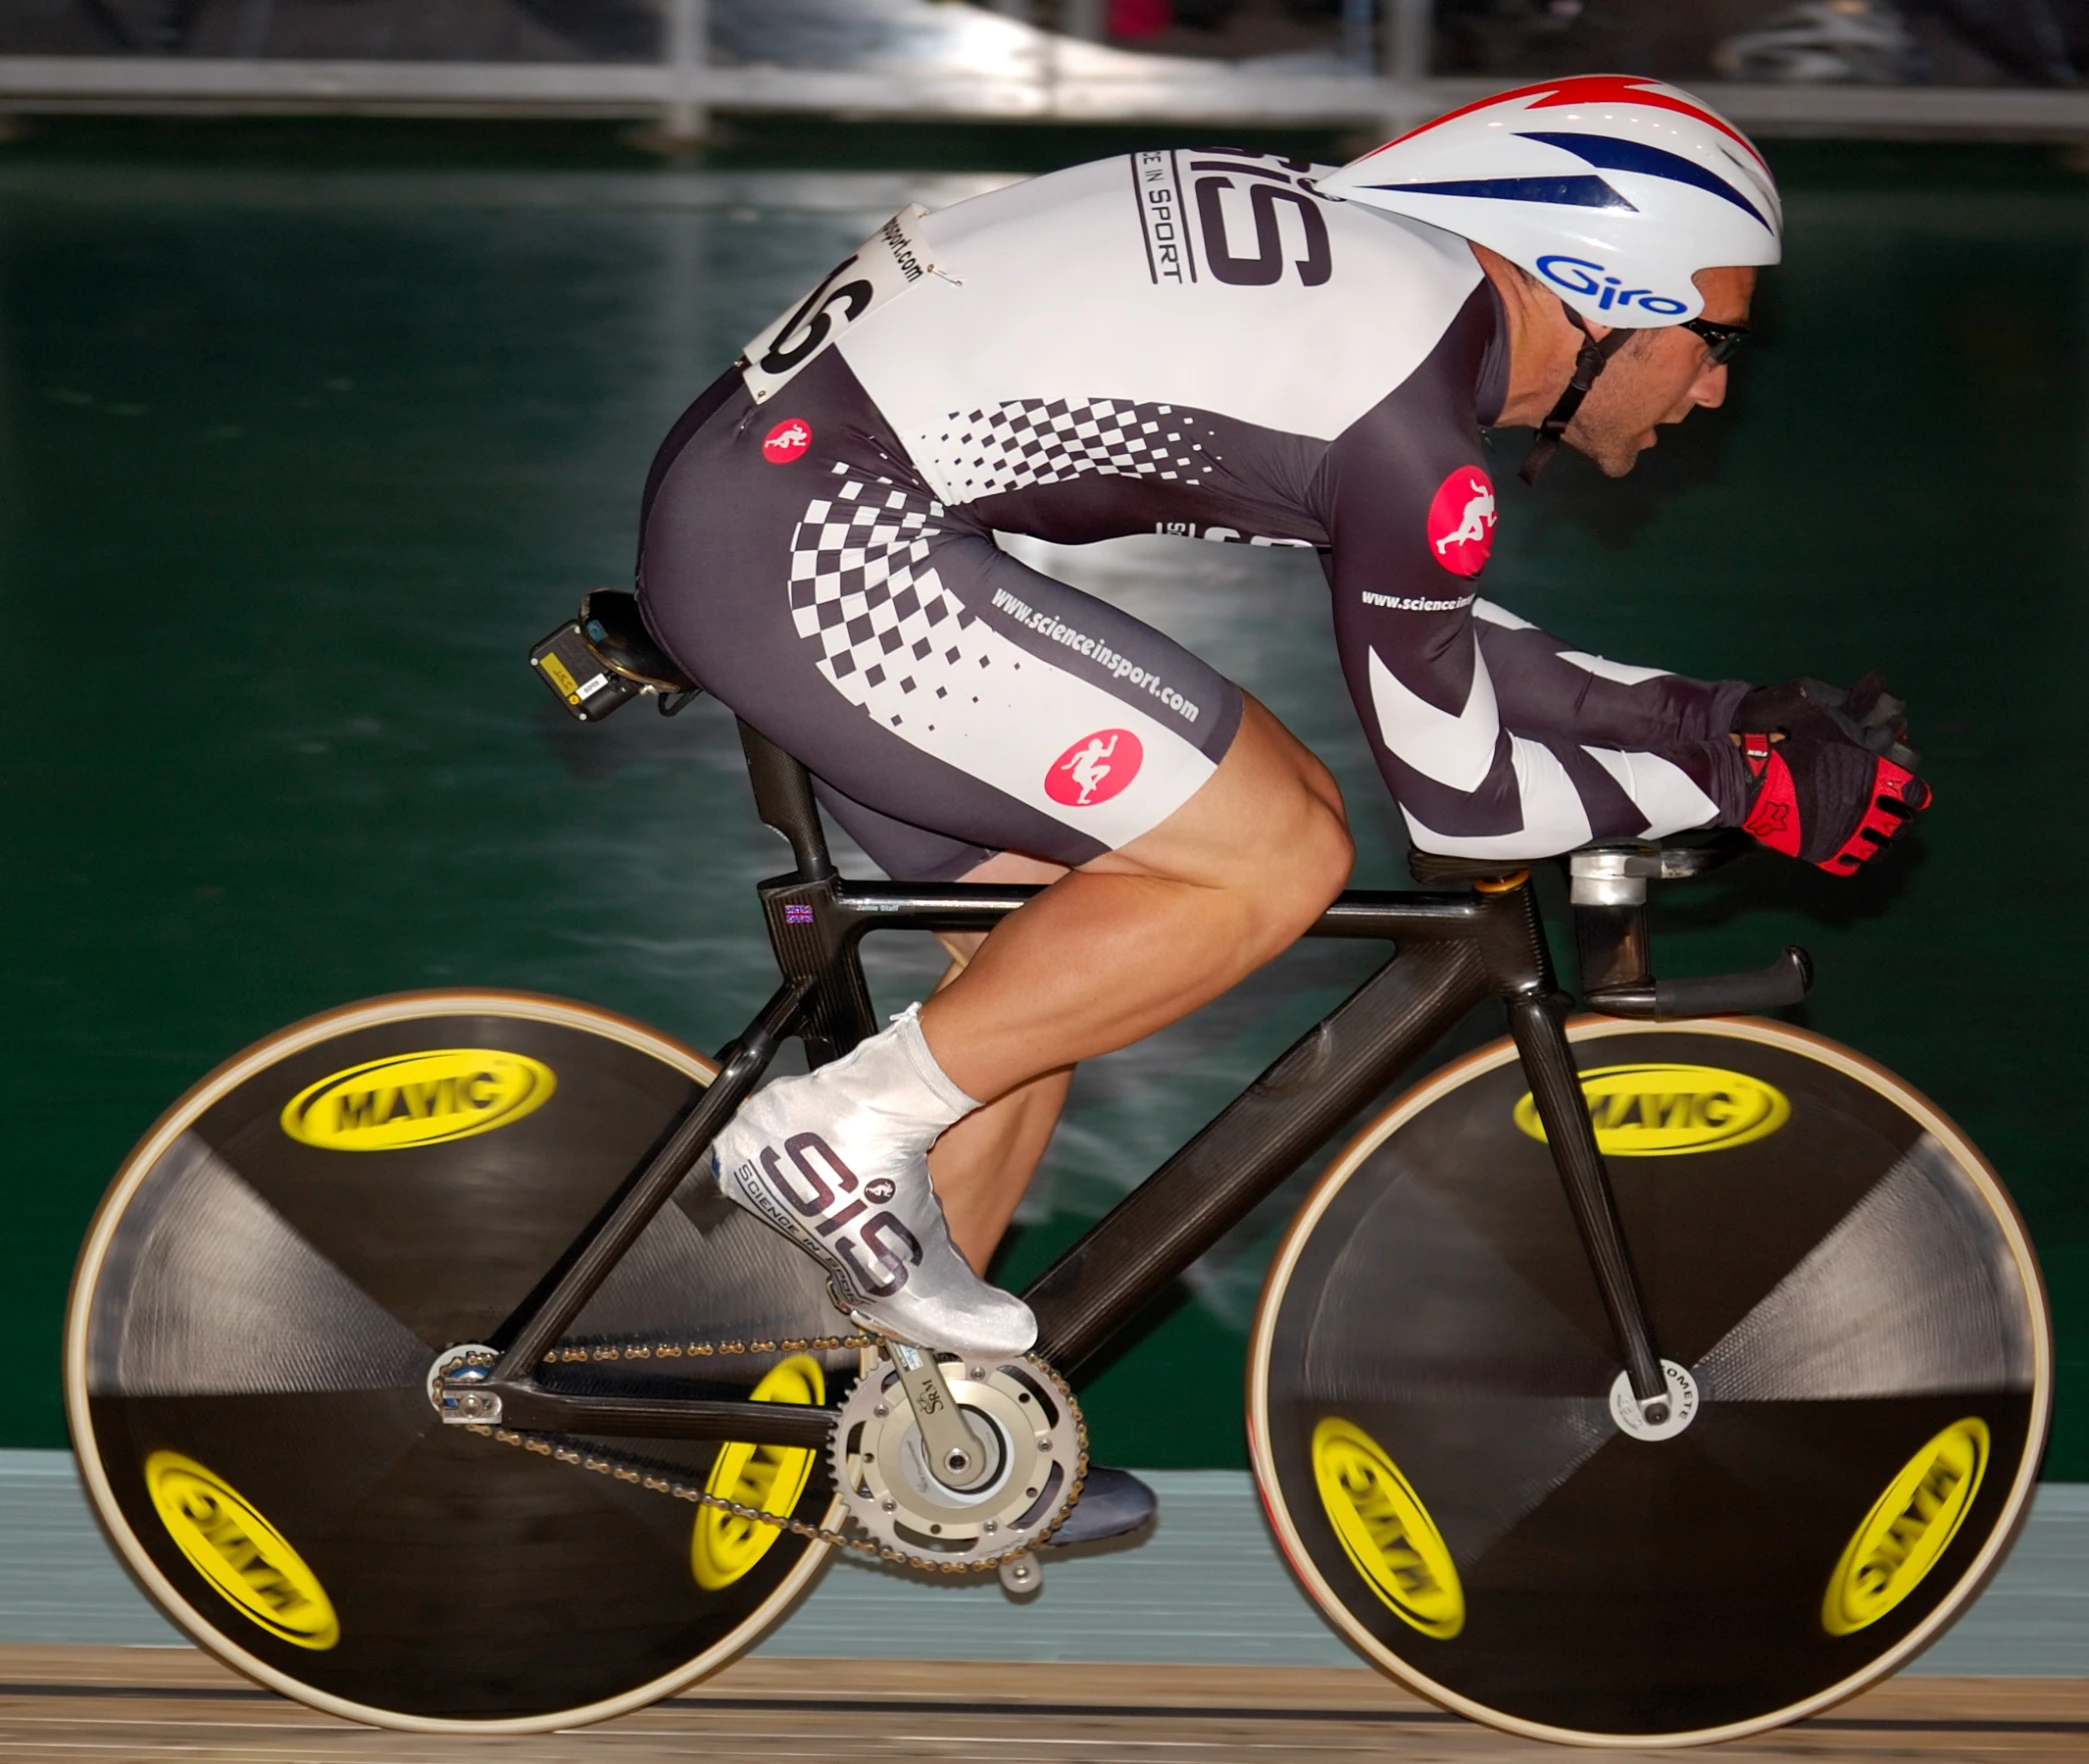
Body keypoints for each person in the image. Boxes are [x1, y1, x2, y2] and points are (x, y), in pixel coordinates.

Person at [635, 76, 1925, 1541]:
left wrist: (1713, 724)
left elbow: (1443, 632)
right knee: (1282, 846)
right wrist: (1728, 777)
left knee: (1034, 985)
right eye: (1714, 340)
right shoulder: (1408, 410)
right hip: (823, 533)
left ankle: (913, 1442)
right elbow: (1470, 799)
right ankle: (832, 1139)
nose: (1711, 391)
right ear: (1599, 282)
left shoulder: (1399, 321)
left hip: (778, 494)